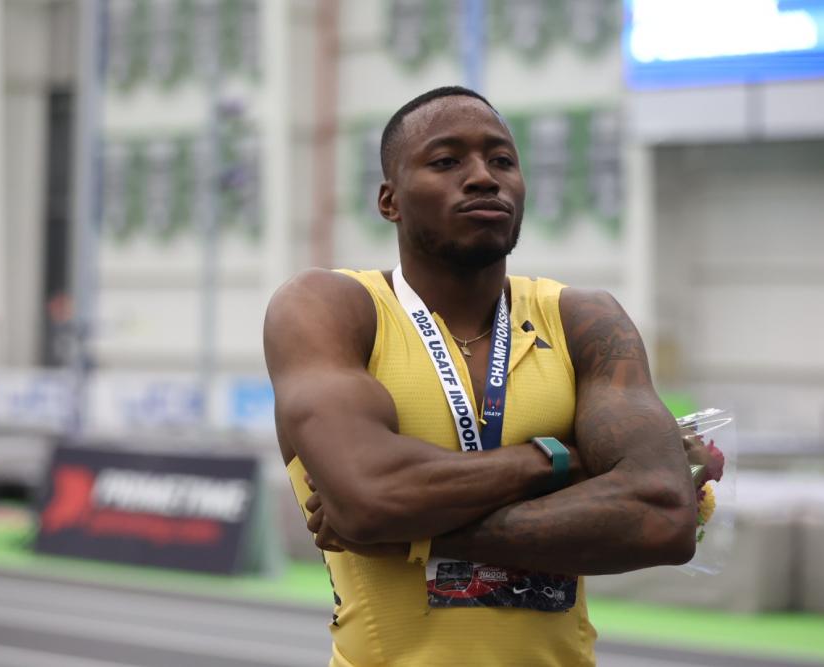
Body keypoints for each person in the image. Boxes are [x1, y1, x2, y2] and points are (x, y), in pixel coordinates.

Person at [264, 86, 696, 667]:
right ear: (390, 201)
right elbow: (371, 497)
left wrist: (418, 536)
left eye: (502, 161)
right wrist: (559, 461)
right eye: (447, 161)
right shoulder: (330, 307)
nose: (483, 178)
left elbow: (665, 515)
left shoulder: (583, 319)